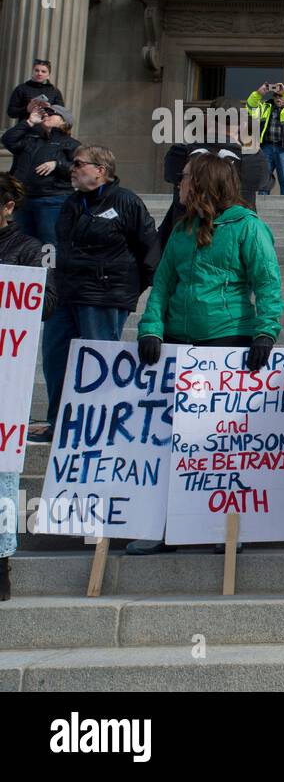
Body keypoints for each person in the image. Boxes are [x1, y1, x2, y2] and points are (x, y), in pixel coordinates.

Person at [128, 152, 284, 555]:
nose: (177, 185)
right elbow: (162, 286)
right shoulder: (182, 230)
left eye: (183, 179)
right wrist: (151, 328)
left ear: (202, 183)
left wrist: (265, 332)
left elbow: (267, 283)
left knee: (217, 445)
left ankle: (224, 527)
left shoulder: (249, 227)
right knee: (169, 442)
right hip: (178, 344)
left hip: (227, 343)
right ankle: (166, 528)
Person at [35, 147, 159, 443]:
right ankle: (60, 422)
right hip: (67, 294)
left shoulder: (126, 201)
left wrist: (130, 289)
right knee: (56, 358)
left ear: (101, 169)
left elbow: (150, 250)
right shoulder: (72, 202)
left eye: (78, 164)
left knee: (98, 364)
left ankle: (99, 426)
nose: (71, 169)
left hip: (104, 296)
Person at [0, 174, 55, 601]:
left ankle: (1, 564)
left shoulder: (29, 250)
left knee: (3, 473)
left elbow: (47, 303)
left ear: (7, 208)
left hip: (6, 377)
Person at [160, 97, 270, 248]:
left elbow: (170, 175)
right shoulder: (252, 159)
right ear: (242, 124)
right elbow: (265, 182)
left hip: (186, 240)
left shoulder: (180, 152)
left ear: (206, 120)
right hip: (234, 244)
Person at [1, 103, 78, 248]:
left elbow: (79, 168)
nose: (46, 115)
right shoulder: (31, 139)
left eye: (52, 113)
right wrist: (29, 122)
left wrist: (57, 164)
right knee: (22, 243)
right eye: (45, 112)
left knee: (49, 243)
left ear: (64, 121)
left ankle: (50, 271)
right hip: (25, 199)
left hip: (52, 200)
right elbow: (7, 140)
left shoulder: (72, 144)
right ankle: (27, 270)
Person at [248, 81, 284, 196]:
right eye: (276, 96)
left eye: (281, 96)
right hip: (267, 148)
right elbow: (250, 108)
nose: (278, 98)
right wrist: (258, 94)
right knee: (264, 182)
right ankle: (262, 209)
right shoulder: (265, 107)